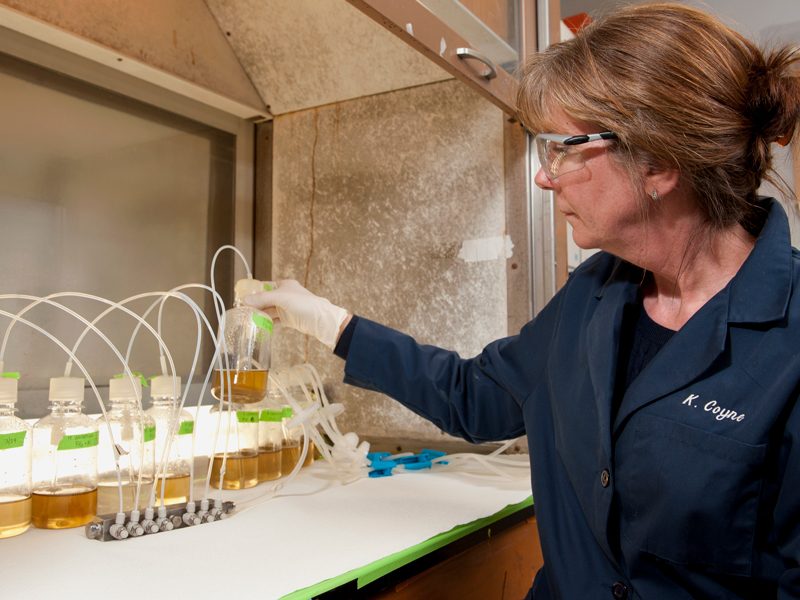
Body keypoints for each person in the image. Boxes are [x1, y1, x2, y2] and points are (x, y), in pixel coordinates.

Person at [245, 3, 800, 598]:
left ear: (658, 161)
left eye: (562, 147)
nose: (544, 175)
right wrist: (332, 324)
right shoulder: (594, 295)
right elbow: (477, 397)